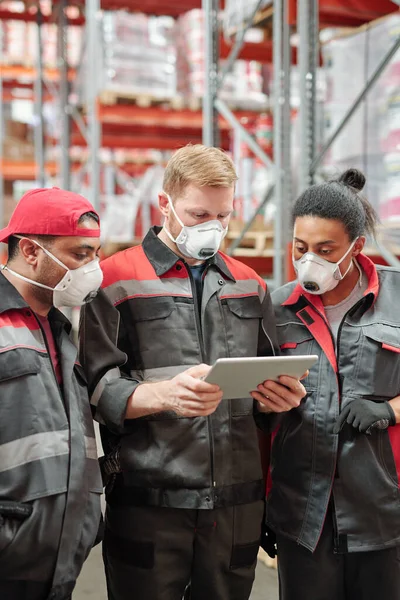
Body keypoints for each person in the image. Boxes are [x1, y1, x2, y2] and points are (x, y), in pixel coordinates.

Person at [79, 144, 306, 600]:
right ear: (165, 203)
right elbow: (96, 387)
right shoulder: (113, 280)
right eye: (199, 213)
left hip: (235, 503)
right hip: (150, 498)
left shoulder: (248, 283)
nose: (213, 227)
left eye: (223, 216)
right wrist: (163, 396)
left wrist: (278, 398)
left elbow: (265, 379)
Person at [269, 168, 400, 600]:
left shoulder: (397, 297)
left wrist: (390, 409)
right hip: (303, 513)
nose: (310, 260)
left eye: (326, 250)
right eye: (301, 247)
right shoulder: (275, 308)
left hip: (384, 510)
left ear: (356, 247)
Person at [0, 187, 103, 600]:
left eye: (96, 253)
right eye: (80, 254)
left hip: (57, 552)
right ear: (29, 250)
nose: (93, 268)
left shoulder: (60, 330)